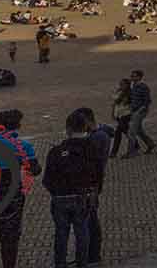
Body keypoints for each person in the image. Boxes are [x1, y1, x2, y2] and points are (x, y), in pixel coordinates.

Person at [44, 109, 104, 267]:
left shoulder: (56, 151)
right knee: (82, 231)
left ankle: (60, 263)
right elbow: (99, 174)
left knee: (61, 234)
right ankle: (82, 262)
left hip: (61, 198)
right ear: (86, 127)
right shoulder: (93, 148)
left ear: (68, 129)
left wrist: (56, 192)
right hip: (83, 197)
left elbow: (47, 179)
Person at [0, 107, 41, 268]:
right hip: (12, 194)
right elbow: (35, 170)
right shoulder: (23, 145)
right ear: (18, 125)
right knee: (10, 237)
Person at [126, 69, 155, 154]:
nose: (131, 77)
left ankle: (131, 152)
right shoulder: (133, 85)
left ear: (139, 77)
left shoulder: (143, 87)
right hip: (134, 111)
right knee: (139, 131)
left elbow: (147, 101)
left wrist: (139, 111)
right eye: (131, 76)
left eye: (133, 76)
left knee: (131, 132)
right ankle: (150, 144)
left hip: (139, 111)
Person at [107, 79, 134, 159]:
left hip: (126, 115)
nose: (121, 86)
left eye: (122, 84)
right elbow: (114, 100)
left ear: (127, 85)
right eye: (120, 84)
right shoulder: (120, 92)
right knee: (125, 131)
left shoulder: (129, 94)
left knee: (118, 132)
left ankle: (113, 152)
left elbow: (118, 101)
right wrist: (113, 113)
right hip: (119, 115)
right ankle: (137, 145)